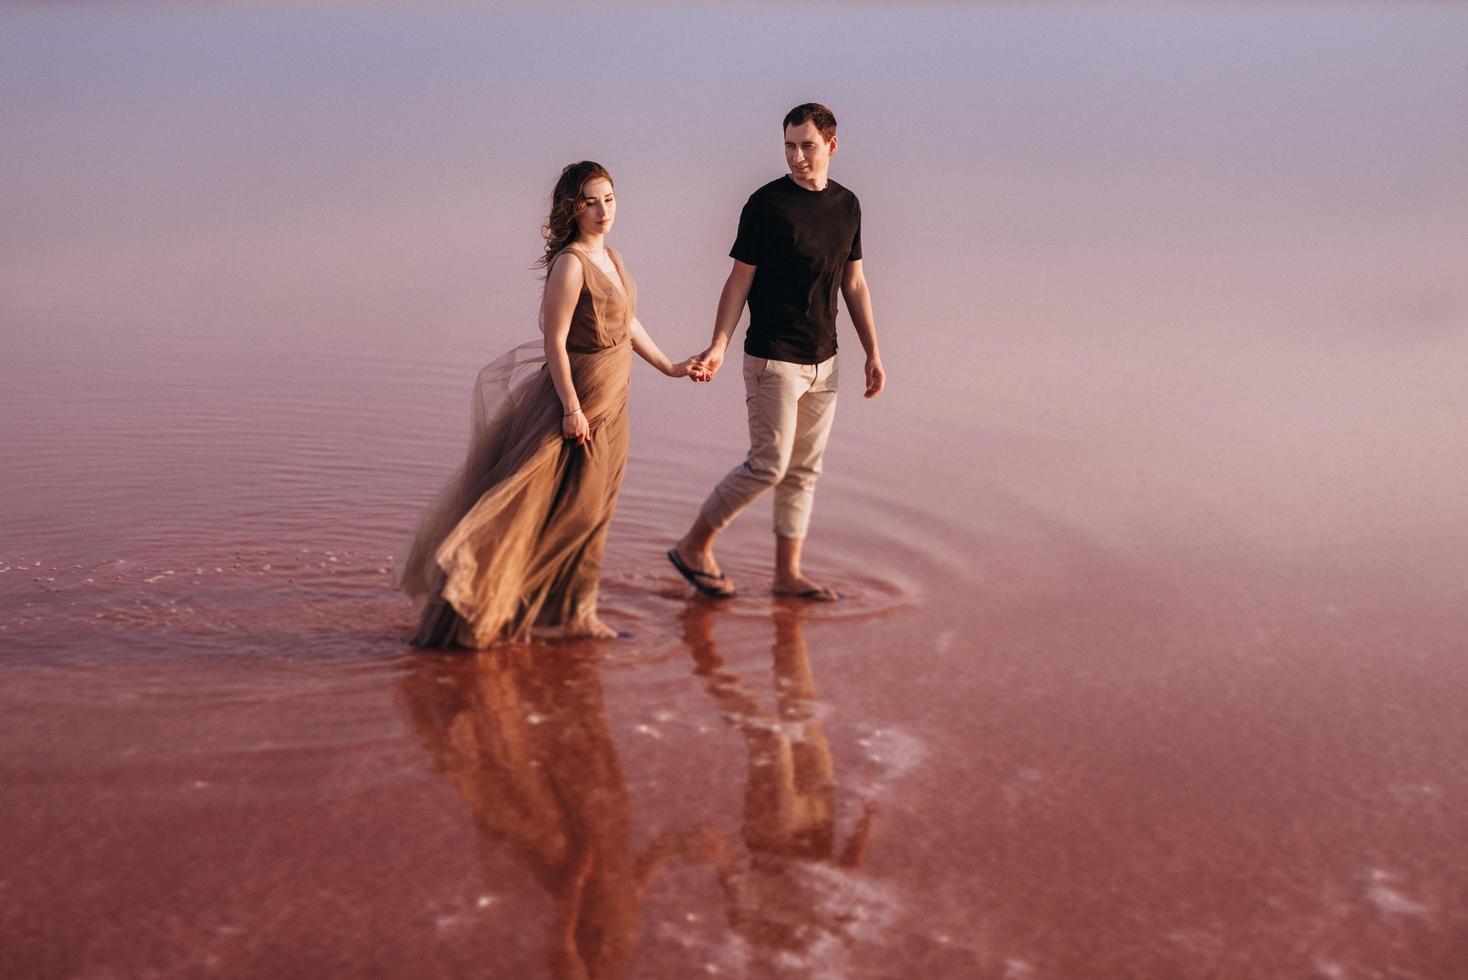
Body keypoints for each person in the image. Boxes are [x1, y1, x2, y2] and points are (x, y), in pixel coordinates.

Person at [399, 161, 704, 647]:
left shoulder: (614, 259)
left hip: (614, 400)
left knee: (596, 509)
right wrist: (570, 408)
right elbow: (555, 342)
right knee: (553, 508)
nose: (603, 210)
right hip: (577, 400)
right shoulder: (571, 263)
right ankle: (494, 605)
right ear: (572, 208)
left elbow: (628, 323)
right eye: (590, 201)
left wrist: (670, 366)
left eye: (609, 198)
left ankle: (575, 613)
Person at [668, 103, 885, 602]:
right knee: (769, 463)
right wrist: (719, 344)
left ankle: (787, 574)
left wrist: (873, 351)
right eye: (789, 145)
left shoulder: (848, 206)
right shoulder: (765, 206)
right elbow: (739, 278)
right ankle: (693, 546)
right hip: (772, 359)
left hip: (824, 361)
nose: (797, 156)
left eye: (807, 146)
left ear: (831, 146)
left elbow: (854, 282)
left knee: (804, 471)